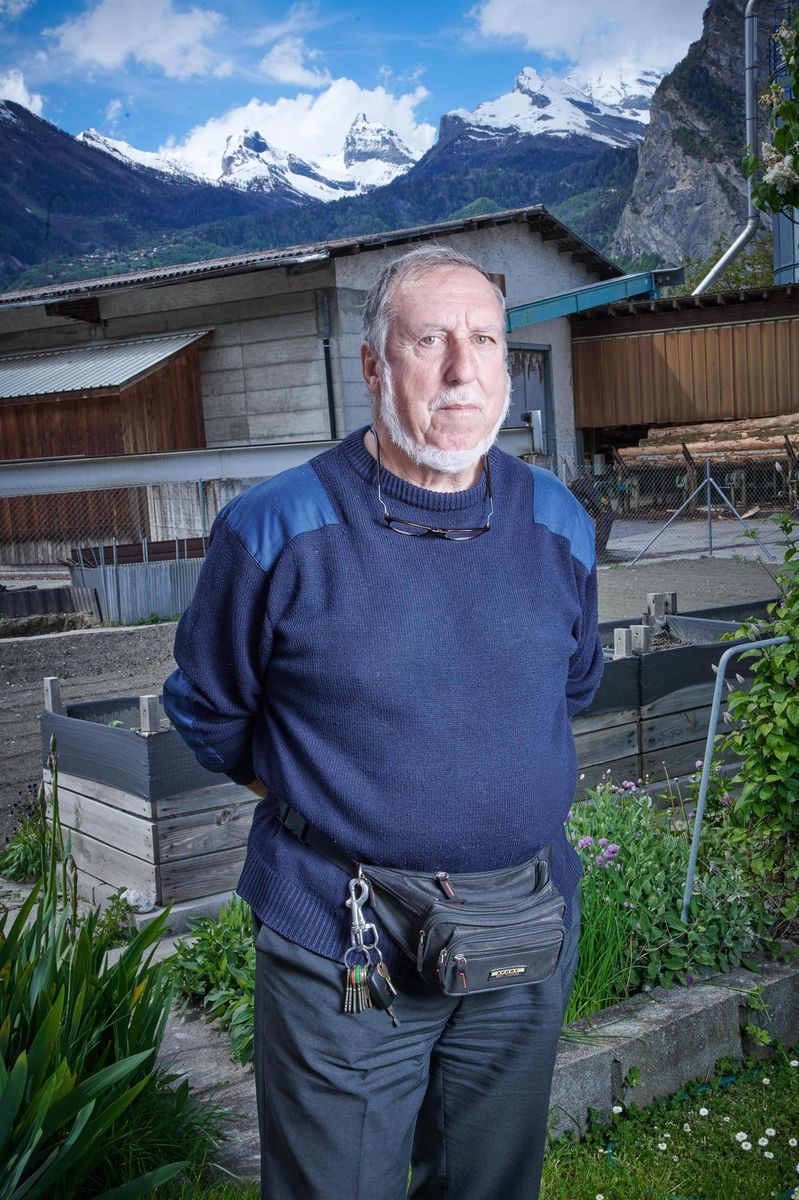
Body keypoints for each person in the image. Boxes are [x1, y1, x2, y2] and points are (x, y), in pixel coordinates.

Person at [164, 244, 603, 1200]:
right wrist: (329, 798)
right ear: (372, 365)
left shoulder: (560, 524)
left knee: (490, 1185)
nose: (461, 369)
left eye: (484, 339)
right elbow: (206, 708)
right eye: (430, 340)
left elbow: (567, 690)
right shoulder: (275, 528)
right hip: (345, 945)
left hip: (522, 931)